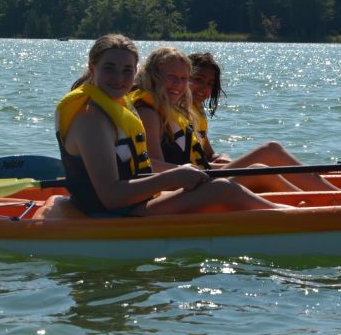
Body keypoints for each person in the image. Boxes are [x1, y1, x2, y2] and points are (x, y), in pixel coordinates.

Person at [37, 34, 292, 219]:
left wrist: (175, 177)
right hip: (115, 212)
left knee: (223, 185)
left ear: (136, 72)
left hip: (133, 204)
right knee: (221, 189)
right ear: (92, 68)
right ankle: (299, 219)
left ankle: (297, 213)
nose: (119, 78)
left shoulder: (116, 107)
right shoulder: (91, 119)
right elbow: (111, 196)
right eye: (109, 69)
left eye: (127, 70)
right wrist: (172, 176)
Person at [132, 47, 339, 193]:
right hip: (184, 185)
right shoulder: (149, 112)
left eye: (183, 79)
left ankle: (331, 197)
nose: (179, 85)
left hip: (197, 177)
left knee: (267, 157)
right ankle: (326, 203)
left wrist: (221, 157)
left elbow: (205, 157)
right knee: (267, 156)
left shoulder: (179, 112)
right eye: (173, 77)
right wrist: (185, 171)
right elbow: (153, 166)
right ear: (154, 76)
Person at [188, 52, 341, 191]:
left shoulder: (195, 111)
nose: (204, 88)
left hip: (208, 174)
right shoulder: (170, 114)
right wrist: (217, 167)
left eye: (209, 84)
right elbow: (179, 167)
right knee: (271, 151)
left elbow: (208, 155)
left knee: (266, 160)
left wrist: (222, 157)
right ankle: (333, 201)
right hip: (198, 182)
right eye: (198, 80)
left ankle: (332, 198)